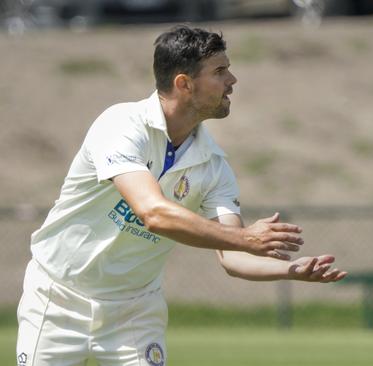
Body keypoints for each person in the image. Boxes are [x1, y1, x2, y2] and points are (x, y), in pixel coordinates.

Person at [16, 25, 347, 366]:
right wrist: (244, 237)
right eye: (220, 71)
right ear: (184, 83)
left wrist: (289, 270)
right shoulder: (121, 125)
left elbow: (233, 255)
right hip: (58, 298)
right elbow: (153, 213)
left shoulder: (214, 164)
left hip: (135, 308)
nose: (232, 80)